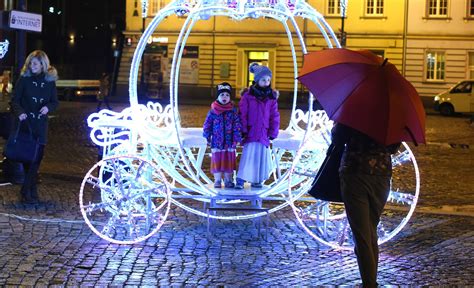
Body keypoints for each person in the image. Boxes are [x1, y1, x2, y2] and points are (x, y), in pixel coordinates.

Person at [331, 123, 400, 287]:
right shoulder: (390, 114)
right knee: (370, 229)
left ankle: (369, 283)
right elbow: (393, 147)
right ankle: (370, 280)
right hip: (381, 175)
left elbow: (338, 139)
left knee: (362, 234)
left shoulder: (354, 109)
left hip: (355, 173)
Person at [10, 50, 59, 204]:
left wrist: (48, 108)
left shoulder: (50, 81)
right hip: (26, 124)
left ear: (43, 64)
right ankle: (30, 191)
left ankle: (27, 189)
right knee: (27, 158)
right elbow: (15, 100)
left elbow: (55, 102)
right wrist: (20, 112)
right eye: (31, 63)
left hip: (40, 125)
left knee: (37, 159)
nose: (32, 66)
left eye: (36, 63)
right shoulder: (23, 80)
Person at [235, 63, 280, 189]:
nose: (266, 82)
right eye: (263, 80)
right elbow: (242, 114)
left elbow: (274, 116)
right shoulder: (248, 97)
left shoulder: (271, 98)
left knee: (260, 157)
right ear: (257, 80)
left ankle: (257, 179)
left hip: (263, 132)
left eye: (268, 80)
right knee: (248, 155)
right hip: (251, 131)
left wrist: (273, 131)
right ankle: (241, 178)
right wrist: (243, 129)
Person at [203, 82, 242, 188]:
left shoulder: (233, 112)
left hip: (229, 143)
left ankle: (229, 180)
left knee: (228, 162)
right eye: (222, 95)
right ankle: (217, 180)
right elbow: (207, 125)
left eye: (227, 95)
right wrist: (207, 135)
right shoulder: (213, 112)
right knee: (217, 162)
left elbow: (237, 125)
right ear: (217, 97)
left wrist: (237, 137)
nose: (225, 97)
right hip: (217, 142)